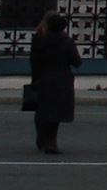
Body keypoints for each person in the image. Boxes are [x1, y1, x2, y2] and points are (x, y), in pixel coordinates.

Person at [28, 10, 82, 155]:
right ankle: (51, 142)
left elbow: (34, 61)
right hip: (62, 79)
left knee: (43, 109)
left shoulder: (40, 40)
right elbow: (77, 62)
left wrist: (35, 78)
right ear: (63, 27)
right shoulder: (67, 41)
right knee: (56, 112)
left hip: (44, 78)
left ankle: (42, 135)